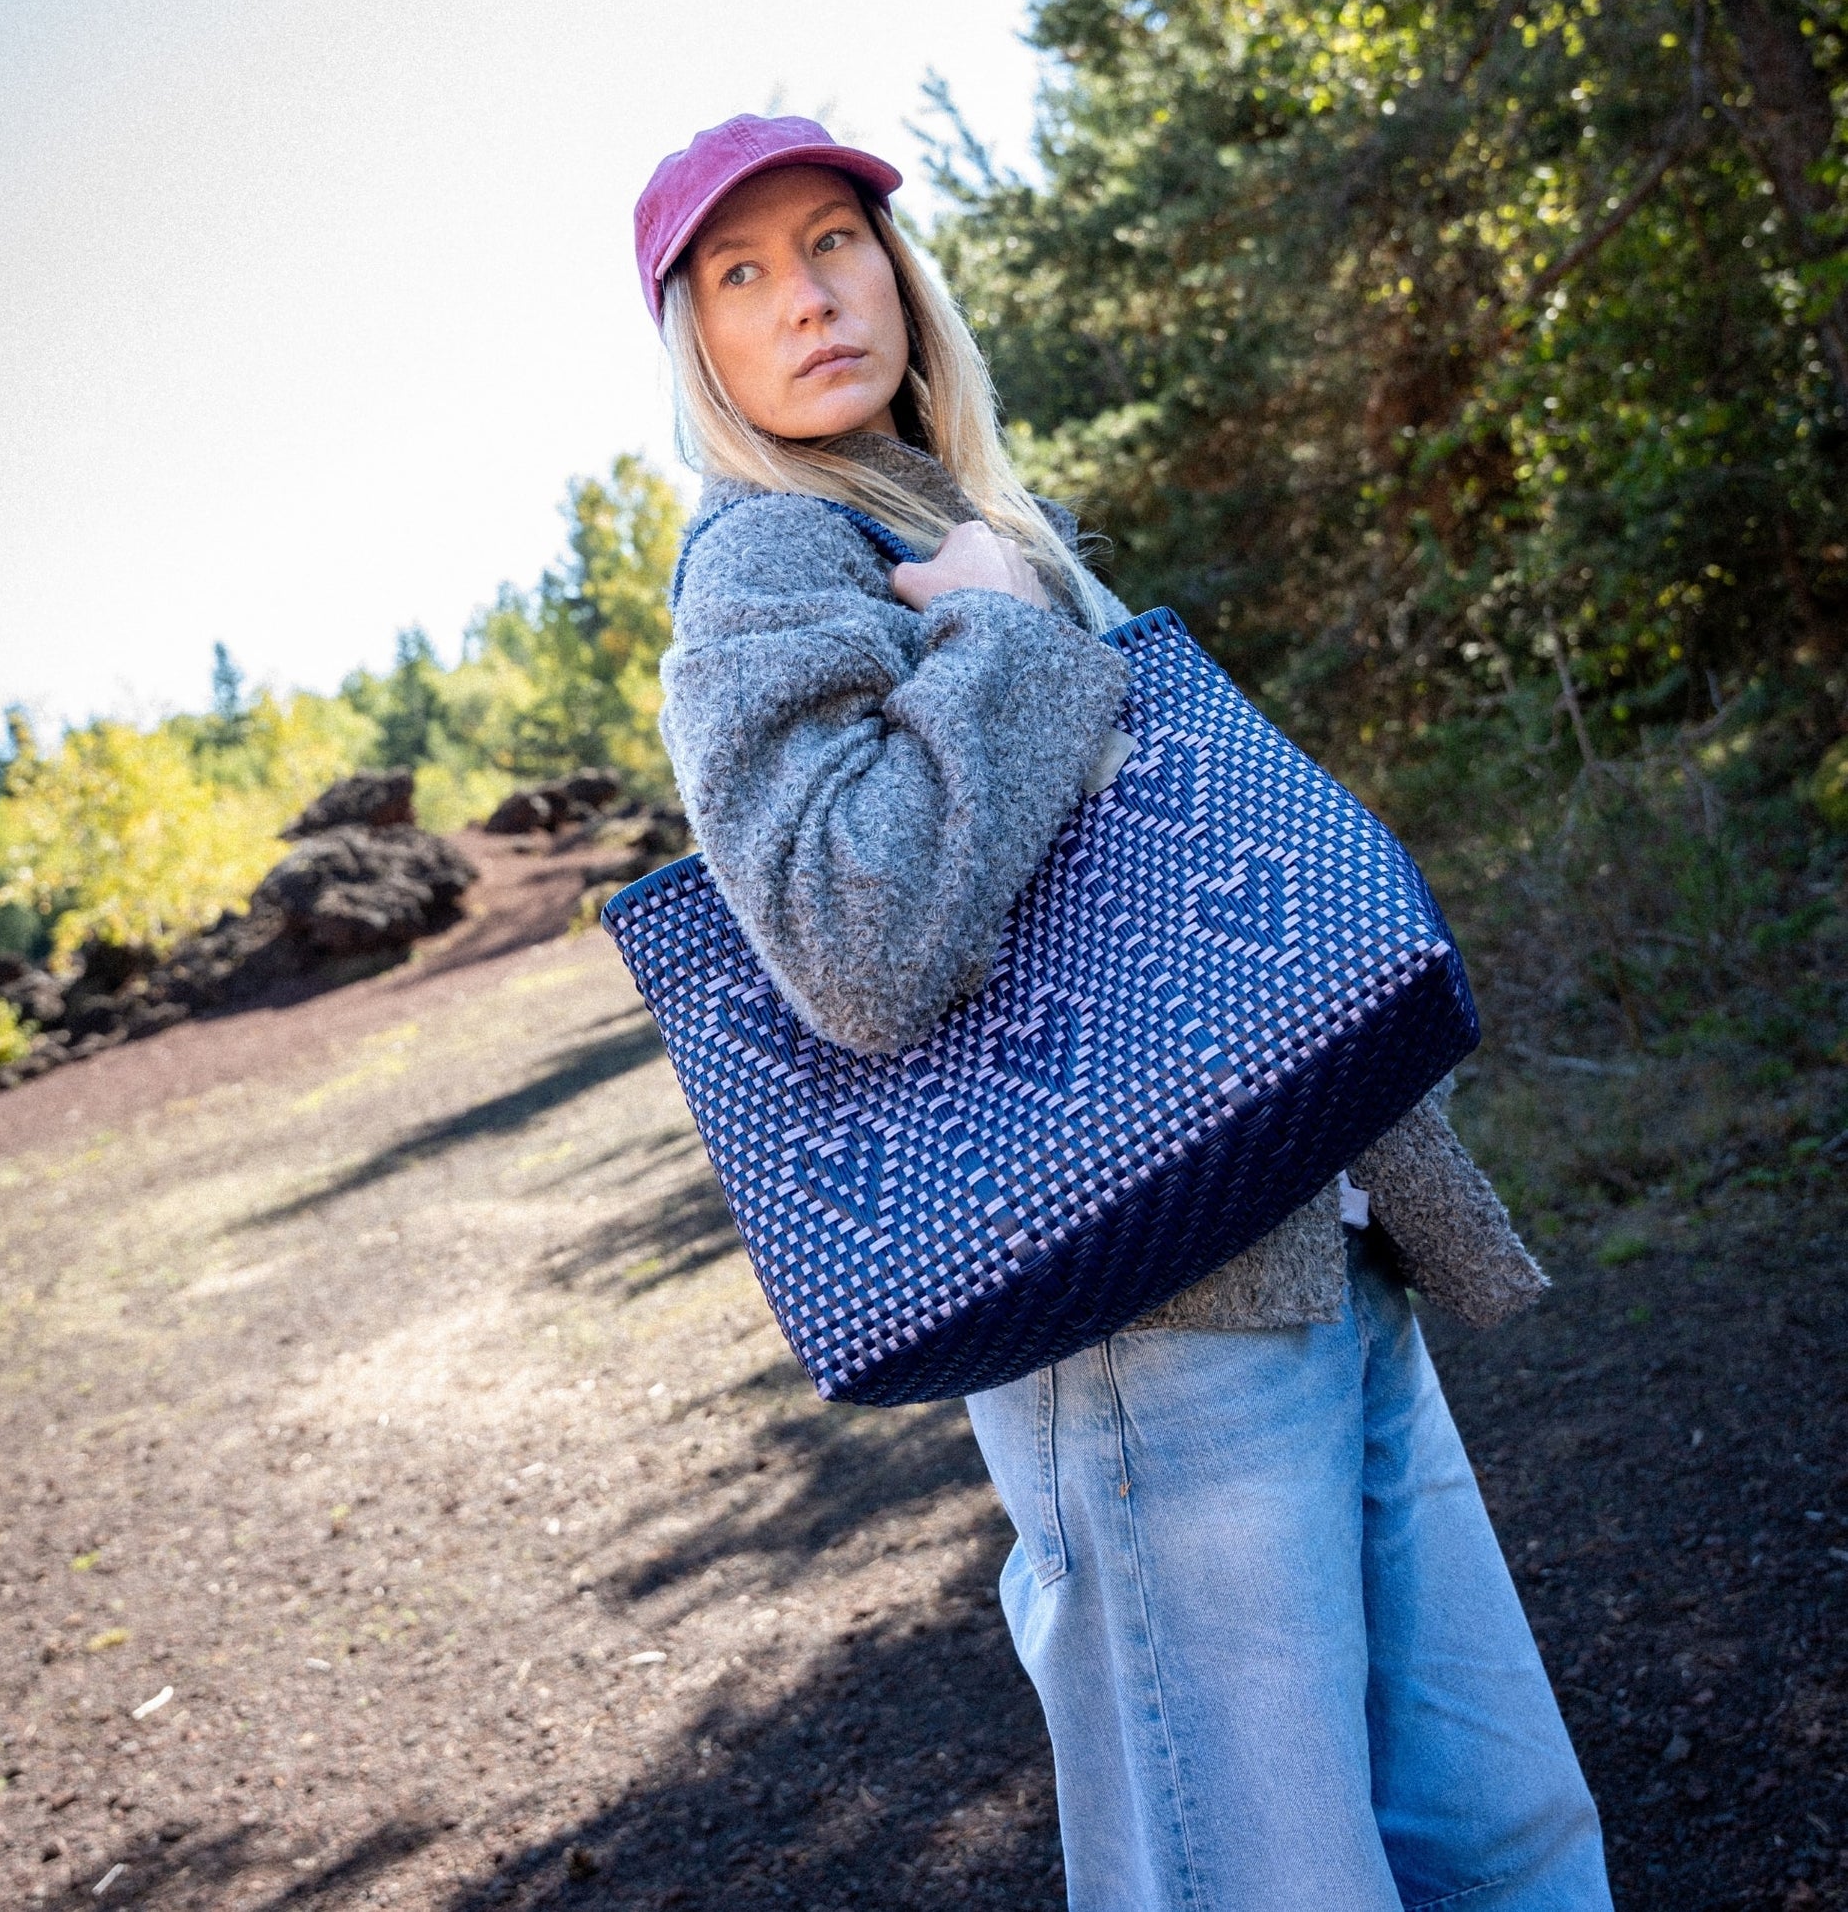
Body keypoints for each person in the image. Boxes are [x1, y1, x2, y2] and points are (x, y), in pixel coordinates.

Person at [633, 114, 1614, 1911]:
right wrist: (1007, 639)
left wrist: (1005, 599)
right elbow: (851, 943)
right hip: (1136, 1308)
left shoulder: (959, 516)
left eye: (833, 240)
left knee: (1504, 1837)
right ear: (697, 346)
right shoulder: (767, 560)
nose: (806, 297)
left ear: (896, 271)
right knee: (1272, 1874)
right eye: (740, 273)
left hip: (1307, 1235)